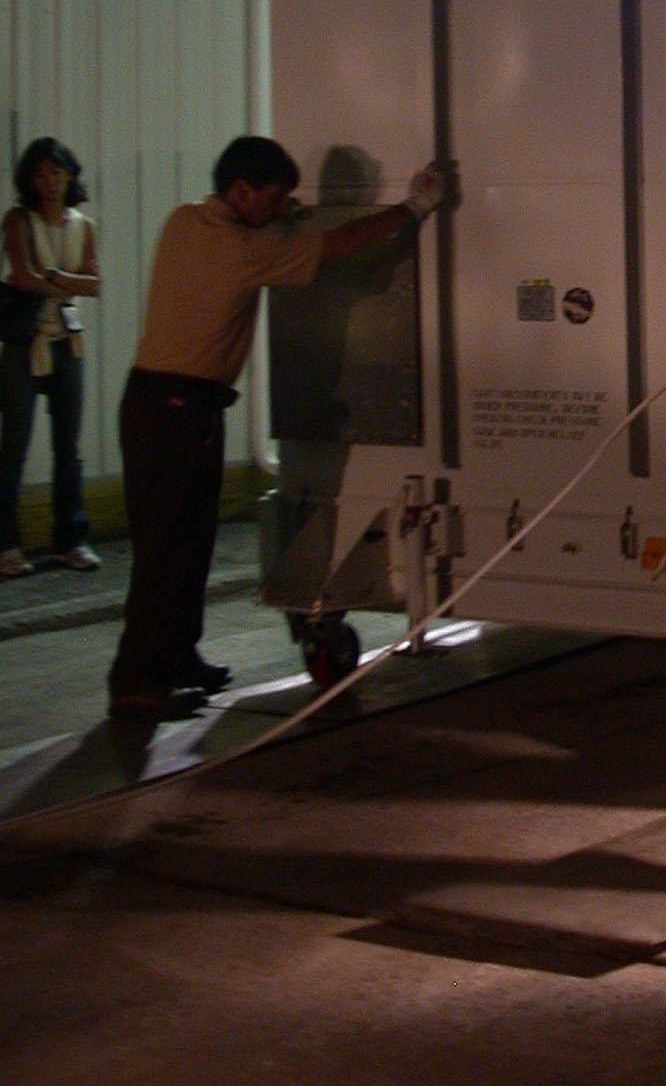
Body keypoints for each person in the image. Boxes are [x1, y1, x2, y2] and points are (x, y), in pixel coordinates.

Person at [106, 137, 448, 717]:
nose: (281, 207)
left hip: (157, 404)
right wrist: (413, 209)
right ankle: (137, 684)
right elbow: (340, 244)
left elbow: (255, 235)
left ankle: (176, 658)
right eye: (274, 197)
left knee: (183, 544)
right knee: (168, 549)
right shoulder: (245, 251)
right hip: (179, 410)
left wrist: (276, 220)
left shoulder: (184, 223)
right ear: (241, 191)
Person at [0, 137, 102, 578]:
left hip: (66, 346)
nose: (50, 181)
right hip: (25, 345)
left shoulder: (83, 225)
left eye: (57, 172)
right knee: (15, 447)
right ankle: (6, 544)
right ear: (29, 179)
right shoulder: (18, 220)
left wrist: (54, 278)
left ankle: (70, 540)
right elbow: (21, 278)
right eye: (40, 173)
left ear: (69, 175)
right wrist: (68, 282)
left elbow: (95, 284)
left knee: (69, 447)